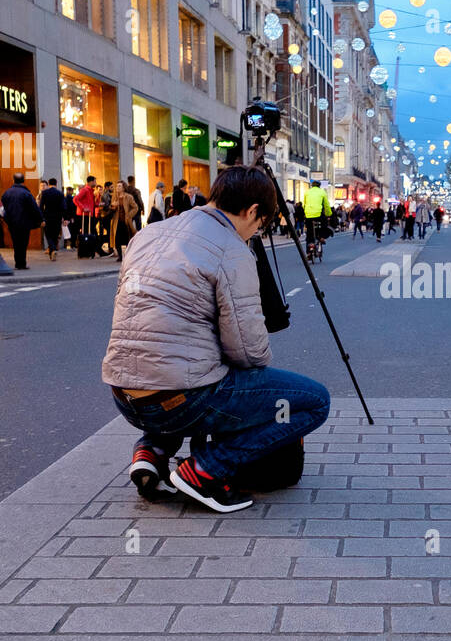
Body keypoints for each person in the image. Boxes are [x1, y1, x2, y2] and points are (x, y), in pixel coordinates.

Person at [103, 165, 331, 510]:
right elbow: (248, 353)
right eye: (259, 225)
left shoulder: (150, 234)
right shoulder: (232, 250)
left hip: (124, 395)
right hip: (182, 402)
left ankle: (152, 451)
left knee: (181, 362)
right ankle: (205, 470)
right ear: (253, 211)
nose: (255, 233)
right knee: (315, 401)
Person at [1, 173, 43, 270]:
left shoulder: (7, 193)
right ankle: (21, 263)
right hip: (24, 222)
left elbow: (2, 209)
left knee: (16, 243)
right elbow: (34, 208)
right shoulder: (26, 193)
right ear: (23, 181)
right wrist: (40, 219)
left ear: (13, 180)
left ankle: (18, 262)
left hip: (12, 223)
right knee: (23, 243)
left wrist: (6, 219)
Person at [303, 178, 332, 255]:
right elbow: (326, 205)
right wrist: (329, 214)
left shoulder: (307, 192)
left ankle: (309, 252)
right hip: (318, 214)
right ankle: (322, 237)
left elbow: (304, 204)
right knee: (324, 223)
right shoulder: (322, 192)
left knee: (309, 231)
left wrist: (305, 214)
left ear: (312, 186)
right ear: (319, 186)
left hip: (308, 215)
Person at [39, 178, 65, 260]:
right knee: (55, 234)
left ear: (49, 184)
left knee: (48, 234)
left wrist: (42, 218)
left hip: (47, 217)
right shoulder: (60, 193)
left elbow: (41, 206)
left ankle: (52, 249)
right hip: (57, 217)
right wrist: (64, 217)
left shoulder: (45, 193)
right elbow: (63, 207)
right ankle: (52, 252)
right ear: (56, 184)